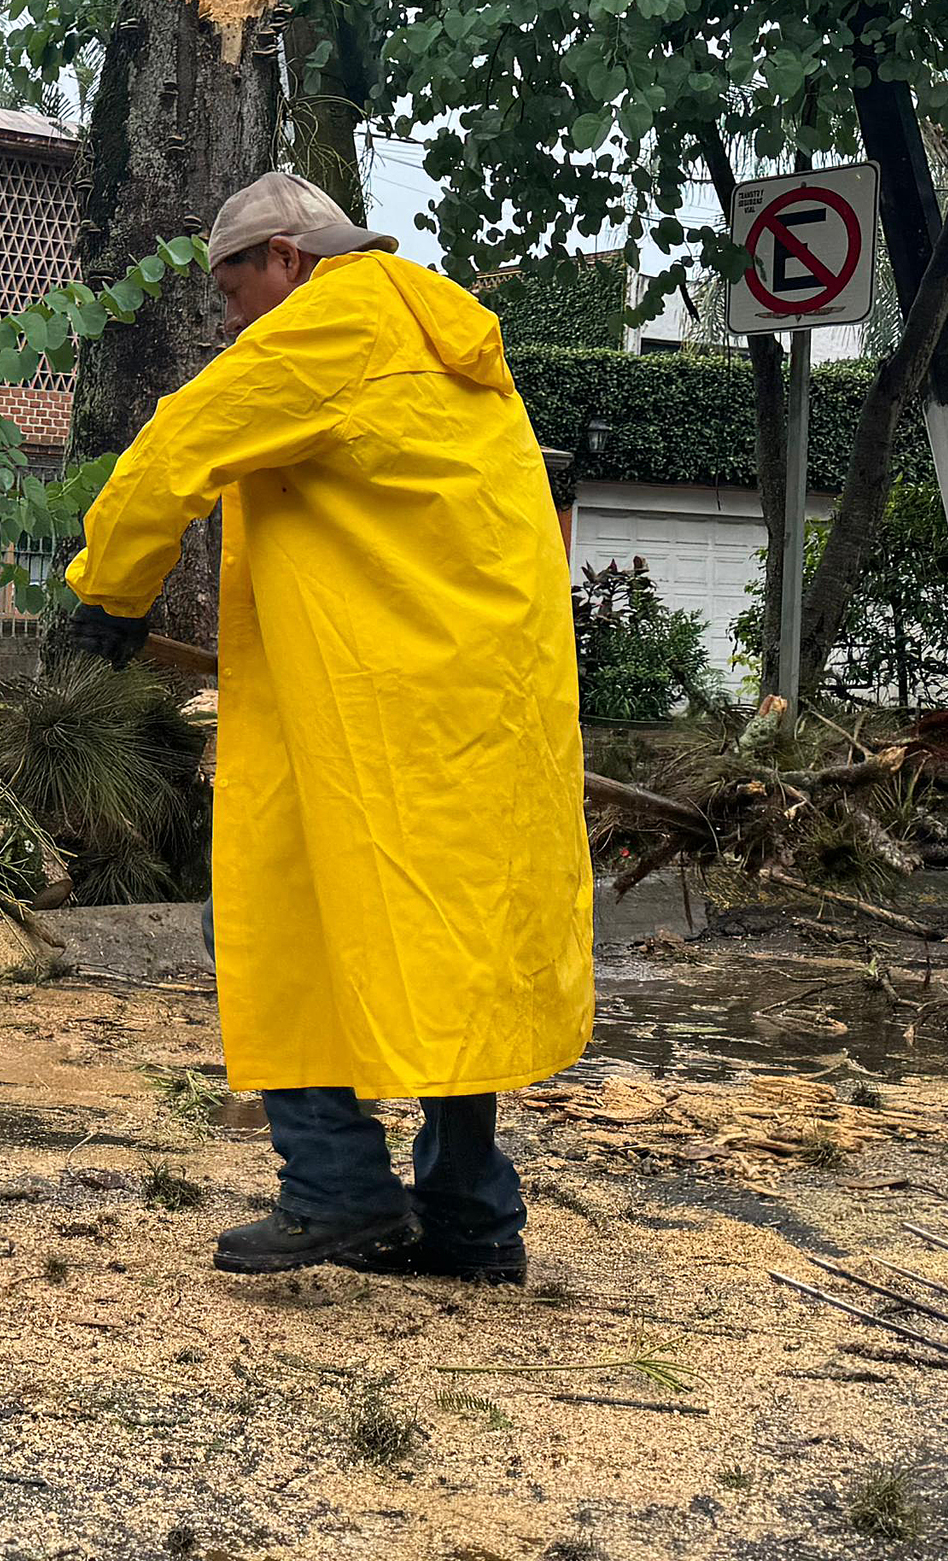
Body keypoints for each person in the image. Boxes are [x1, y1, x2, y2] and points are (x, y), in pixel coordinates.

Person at [61, 172, 591, 1283]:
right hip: (479, 708)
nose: (227, 320)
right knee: (453, 945)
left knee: (262, 922)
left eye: (232, 285)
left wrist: (105, 596)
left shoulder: (331, 324)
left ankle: (339, 1189)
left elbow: (174, 449)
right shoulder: (429, 331)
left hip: (371, 705)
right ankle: (468, 1218)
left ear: (290, 257)